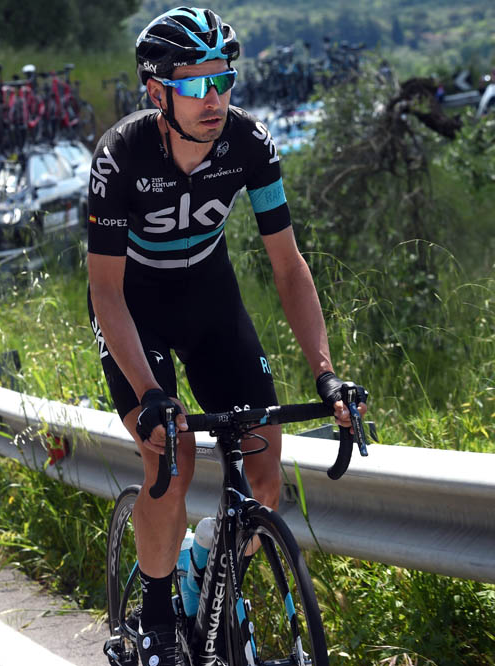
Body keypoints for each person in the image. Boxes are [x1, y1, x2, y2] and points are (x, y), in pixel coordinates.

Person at [86, 8, 367, 665]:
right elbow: (105, 292)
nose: (212, 99)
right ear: (157, 92)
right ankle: (156, 622)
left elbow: (288, 267)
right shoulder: (120, 156)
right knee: (173, 453)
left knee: (264, 471)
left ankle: (201, 569)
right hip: (134, 307)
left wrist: (325, 373)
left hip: (210, 300)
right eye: (194, 84)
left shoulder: (250, 143)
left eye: (223, 80)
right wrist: (151, 393)